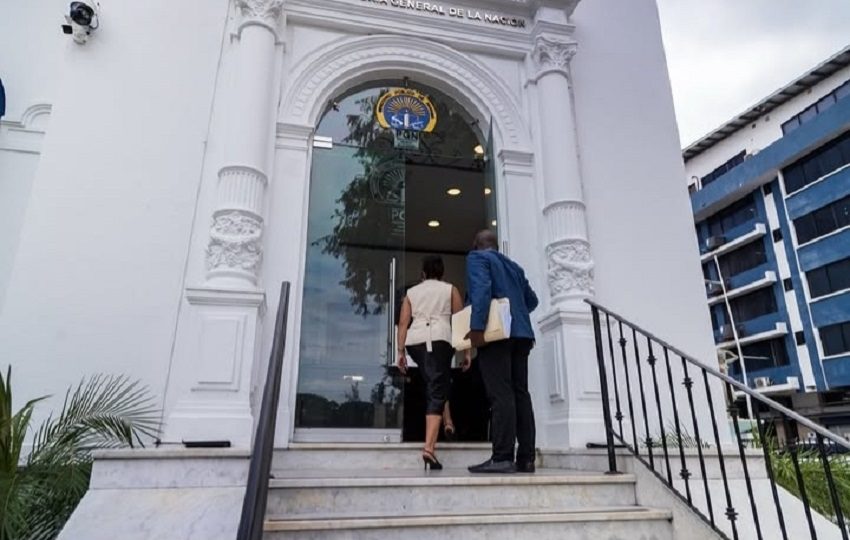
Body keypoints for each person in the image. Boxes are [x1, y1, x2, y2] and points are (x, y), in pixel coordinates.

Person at [464, 229, 539, 474]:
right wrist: (514, 310)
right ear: (495, 245)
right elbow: (532, 301)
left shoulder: (477, 258)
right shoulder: (514, 266)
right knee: (520, 394)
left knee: (501, 394)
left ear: (476, 244)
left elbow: (481, 291)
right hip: (522, 335)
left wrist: (476, 329)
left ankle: (502, 457)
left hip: (497, 335)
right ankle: (526, 458)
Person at [397, 255, 465, 470]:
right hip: (440, 340)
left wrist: (400, 352)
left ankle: (448, 421)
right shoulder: (450, 289)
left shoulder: (411, 293)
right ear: (442, 272)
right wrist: (468, 351)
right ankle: (429, 449)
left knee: (436, 382)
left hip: (415, 342)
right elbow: (461, 321)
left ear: (423, 273)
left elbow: (403, 323)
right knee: (438, 386)